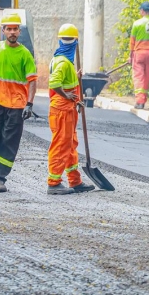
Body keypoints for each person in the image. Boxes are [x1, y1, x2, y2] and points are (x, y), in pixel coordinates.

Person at [0, 14, 37, 193]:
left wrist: (29, 104)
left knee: (9, 141)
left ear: (19, 31)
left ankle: (0, 177)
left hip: (17, 105)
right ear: (3, 31)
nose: (12, 32)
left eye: (15, 29)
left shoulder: (25, 54)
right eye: (9, 29)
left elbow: (32, 80)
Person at [46, 24, 95, 195]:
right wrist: (67, 95)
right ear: (75, 43)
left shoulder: (58, 59)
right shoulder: (64, 63)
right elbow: (54, 82)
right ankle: (53, 183)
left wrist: (76, 76)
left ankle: (75, 181)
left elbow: (64, 80)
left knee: (70, 145)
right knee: (61, 145)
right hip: (62, 110)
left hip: (66, 109)